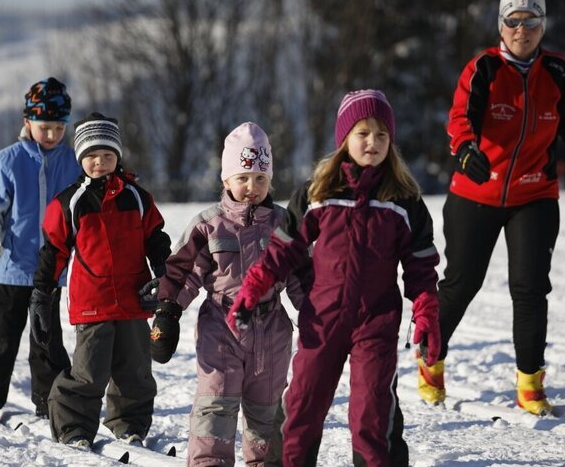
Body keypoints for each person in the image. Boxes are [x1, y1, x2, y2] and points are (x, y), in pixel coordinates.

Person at [228, 90, 441, 466]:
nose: (372, 143)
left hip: (376, 321)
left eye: (381, 135)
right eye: (362, 133)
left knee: (371, 413)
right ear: (344, 139)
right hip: (322, 318)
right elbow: (283, 251)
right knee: (303, 406)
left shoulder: (403, 199)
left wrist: (425, 314)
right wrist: (253, 289)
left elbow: (421, 267)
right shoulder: (318, 194)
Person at [421, 0, 565, 415]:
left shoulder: (559, 73)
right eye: (513, 21)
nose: (522, 30)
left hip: (534, 194)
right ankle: (430, 362)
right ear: (501, 26)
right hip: (476, 194)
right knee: (461, 284)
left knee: (530, 289)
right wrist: (466, 151)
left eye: (532, 21)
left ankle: (530, 385)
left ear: (543, 26)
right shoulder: (483, 68)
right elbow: (460, 118)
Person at [149, 122, 305, 466]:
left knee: (267, 412)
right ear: (226, 180)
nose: (252, 187)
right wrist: (167, 312)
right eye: (243, 177)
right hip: (222, 326)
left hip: (272, 329)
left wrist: (315, 315)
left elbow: (300, 275)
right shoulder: (209, 224)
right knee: (216, 406)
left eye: (260, 179)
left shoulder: (284, 223)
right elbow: (183, 272)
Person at [32, 112, 171, 450]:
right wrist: (42, 291)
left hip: (134, 297)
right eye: (92, 156)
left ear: (117, 157)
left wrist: (164, 276)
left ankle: (130, 424)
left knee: (135, 370)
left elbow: (155, 238)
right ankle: (73, 426)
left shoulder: (137, 197)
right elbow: (53, 251)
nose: (99, 162)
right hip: (92, 299)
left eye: (107, 155)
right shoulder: (71, 202)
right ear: (81, 158)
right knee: (89, 370)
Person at [0, 77, 80, 421]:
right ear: (27, 122)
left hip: (51, 272)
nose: (51, 135)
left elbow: (81, 213)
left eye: (59, 128)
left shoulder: (73, 164)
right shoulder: (7, 161)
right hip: (9, 269)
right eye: (44, 127)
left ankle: (50, 403)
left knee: (46, 341)